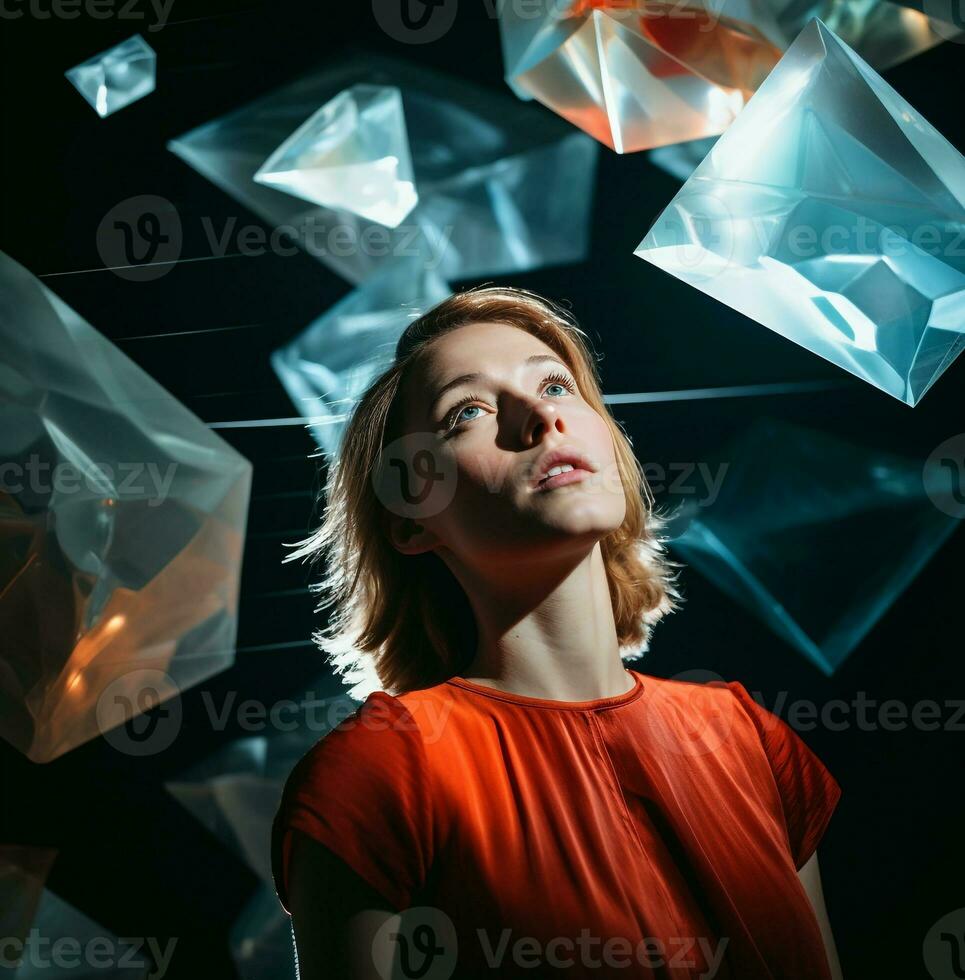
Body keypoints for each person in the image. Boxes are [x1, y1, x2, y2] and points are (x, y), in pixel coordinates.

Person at [269, 285, 844, 979]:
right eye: (469, 411)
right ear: (411, 516)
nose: (540, 414)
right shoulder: (381, 773)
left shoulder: (749, 738)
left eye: (554, 383)